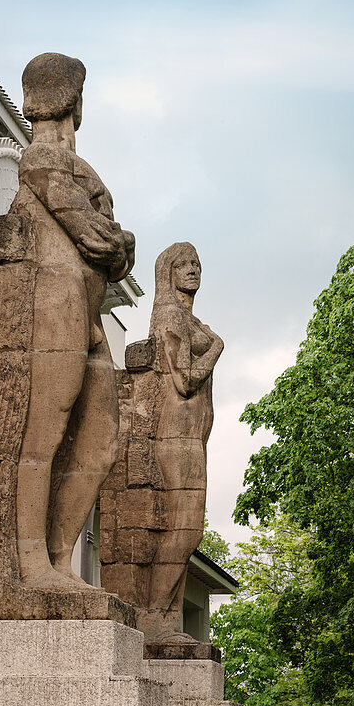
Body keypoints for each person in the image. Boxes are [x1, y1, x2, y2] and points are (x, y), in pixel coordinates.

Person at [9, 53, 135, 590]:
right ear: (76, 103)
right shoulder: (39, 159)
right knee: (44, 432)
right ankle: (33, 563)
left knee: (103, 437)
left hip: (85, 312)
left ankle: (60, 561)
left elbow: (109, 247)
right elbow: (99, 237)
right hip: (53, 300)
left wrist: (116, 245)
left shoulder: (78, 169)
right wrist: (119, 241)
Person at [145, 242, 224, 642]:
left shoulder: (188, 318)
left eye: (197, 263)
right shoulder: (171, 315)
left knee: (188, 530)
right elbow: (185, 379)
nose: (193, 269)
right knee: (185, 528)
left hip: (193, 436)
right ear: (168, 273)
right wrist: (215, 347)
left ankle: (169, 618)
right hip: (176, 435)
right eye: (184, 264)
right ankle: (156, 617)